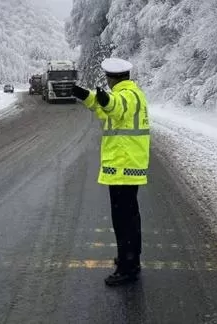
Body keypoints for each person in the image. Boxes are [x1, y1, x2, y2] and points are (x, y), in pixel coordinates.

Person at [72, 58, 150, 286]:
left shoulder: (126, 97)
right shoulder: (131, 93)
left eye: (107, 79)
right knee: (129, 217)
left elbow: (115, 105)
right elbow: (104, 105)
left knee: (124, 219)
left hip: (124, 167)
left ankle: (128, 268)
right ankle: (129, 258)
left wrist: (106, 99)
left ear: (112, 78)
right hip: (125, 167)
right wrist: (84, 94)